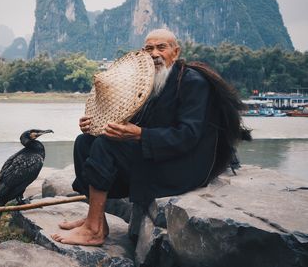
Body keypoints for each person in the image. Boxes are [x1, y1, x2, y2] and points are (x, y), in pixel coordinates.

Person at [51, 29, 249, 246]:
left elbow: (188, 136)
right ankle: (96, 219)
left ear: (176, 51)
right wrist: (94, 125)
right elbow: (129, 119)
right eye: (148, 48)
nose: (154, 53)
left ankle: (93, 230)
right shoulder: (146, 82)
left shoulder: (193, 82)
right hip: (158, 154)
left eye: (161, 48)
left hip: (184, 165)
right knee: (85, 142)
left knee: (106, 146)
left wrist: (141, 134)